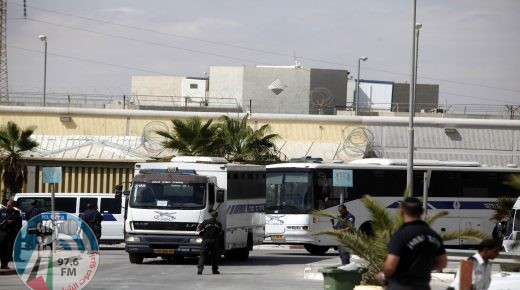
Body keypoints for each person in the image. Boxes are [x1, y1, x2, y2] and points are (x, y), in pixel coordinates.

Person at [376, 197, 447, 290]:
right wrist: (421, 269)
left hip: (401, 286)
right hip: (423, 286)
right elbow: (442, 263)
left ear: (401, 212)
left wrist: (383, 275)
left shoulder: (401, 235)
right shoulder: (434, 236)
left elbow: (390, 266)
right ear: (422, 212)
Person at [197, 210, 222, 275]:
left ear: (210, 215)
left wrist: (203, 230)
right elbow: (220, 232)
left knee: (202, 255)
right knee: (214, 256)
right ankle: (215, 270)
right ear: (217, 216)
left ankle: (200, 269)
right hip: (214, 241)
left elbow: (198, 229)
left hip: (206, 241)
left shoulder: (205, 222)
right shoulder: (218, 223)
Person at [0, 200, 22, 269]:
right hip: (2, 232)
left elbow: (19, 222)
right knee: (1, 248)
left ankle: (4, 264)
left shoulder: (16, 212)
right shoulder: (2, 211)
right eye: (7, 205)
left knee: (8, 249)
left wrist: (12, 222)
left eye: (9, 205)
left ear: (13, 206)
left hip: (10, 233)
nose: (7, 206)